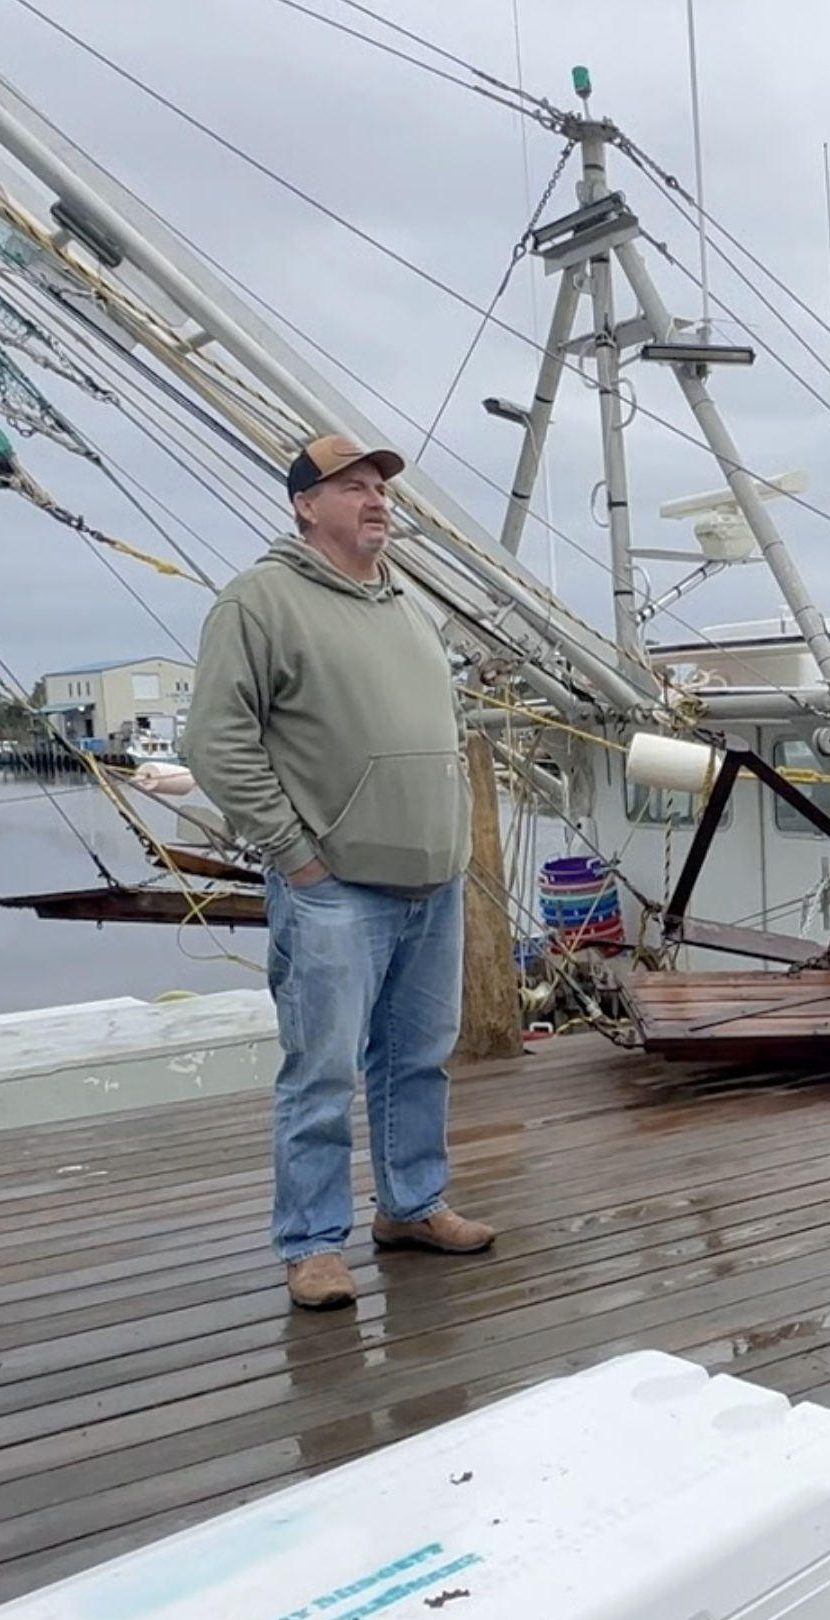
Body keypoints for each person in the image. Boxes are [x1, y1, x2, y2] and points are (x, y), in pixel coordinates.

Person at [182, 434, 498, 1311]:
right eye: (352, 486)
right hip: (334, 887)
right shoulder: (258, 603)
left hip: (433, 882)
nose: (376, 499)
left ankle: (411, 1204)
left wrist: (452, 847)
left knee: (419, 1059)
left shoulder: (407, 607)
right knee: (322, 1072)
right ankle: (312, 1243)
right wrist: (296, 854)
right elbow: (215, 742)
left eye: (380, 486)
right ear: (304, 504)